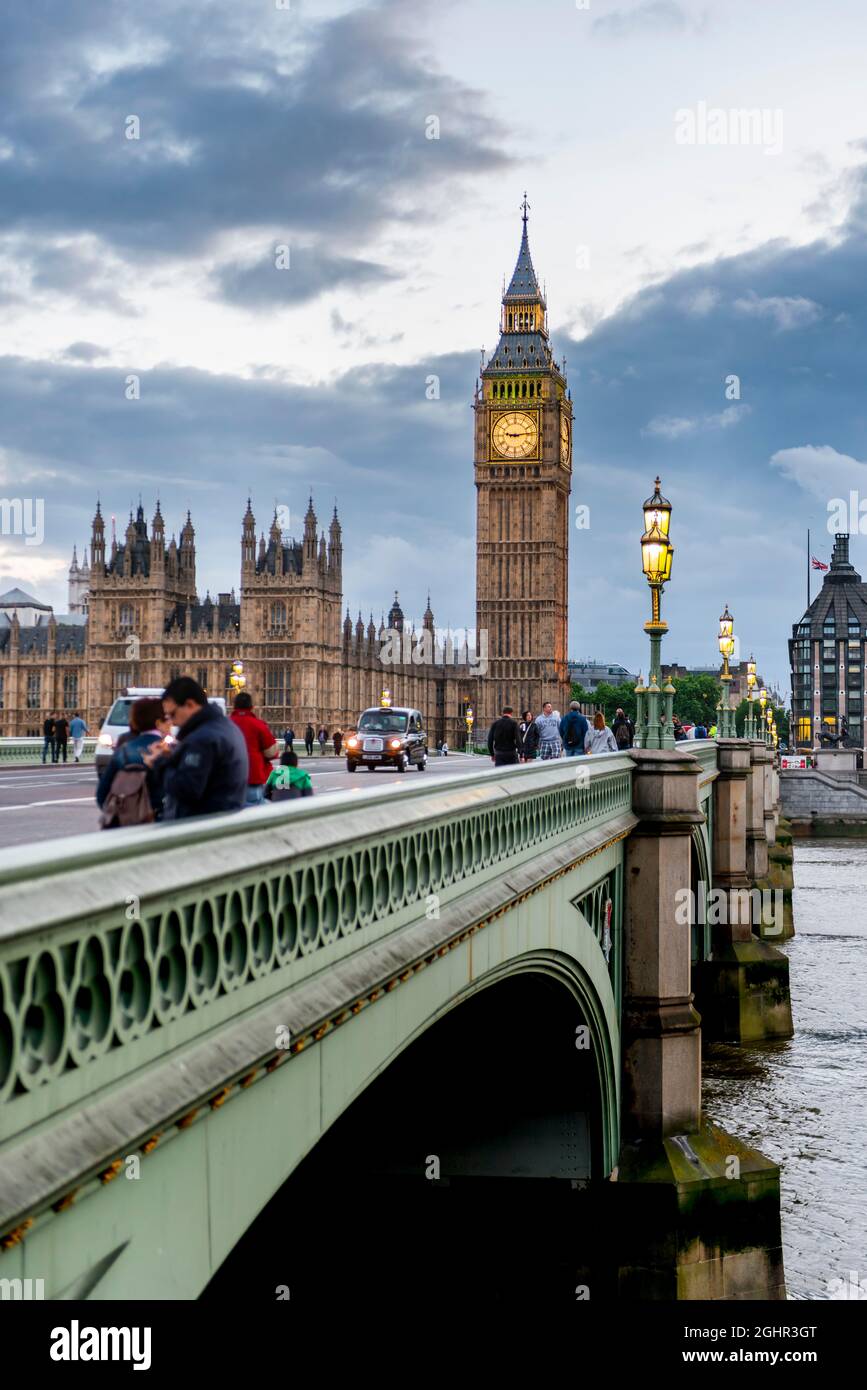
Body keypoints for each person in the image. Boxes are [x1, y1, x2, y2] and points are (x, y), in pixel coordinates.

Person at [143, 677, 248, 821]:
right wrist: (173, 757)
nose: (172, 721)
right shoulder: (225, 727)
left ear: (190, 704)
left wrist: (158, 763)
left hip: (199, 827)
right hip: (221, 821)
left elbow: (187, 789)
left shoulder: (203, 739)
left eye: (172, 714)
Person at [97, 697, 167, 826]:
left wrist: (125, 814)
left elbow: (102, 795)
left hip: (126, 826)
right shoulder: (169, 752)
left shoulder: (123, 751)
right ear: (159, 723)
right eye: (168, 718)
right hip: (160, 825)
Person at [230, 691, 279, 806]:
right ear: (252, 707)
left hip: (228, 779)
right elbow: (272, 752)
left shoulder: (225, 724)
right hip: (252, 777)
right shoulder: (258, 725)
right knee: (254, 812)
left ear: (234, 706)